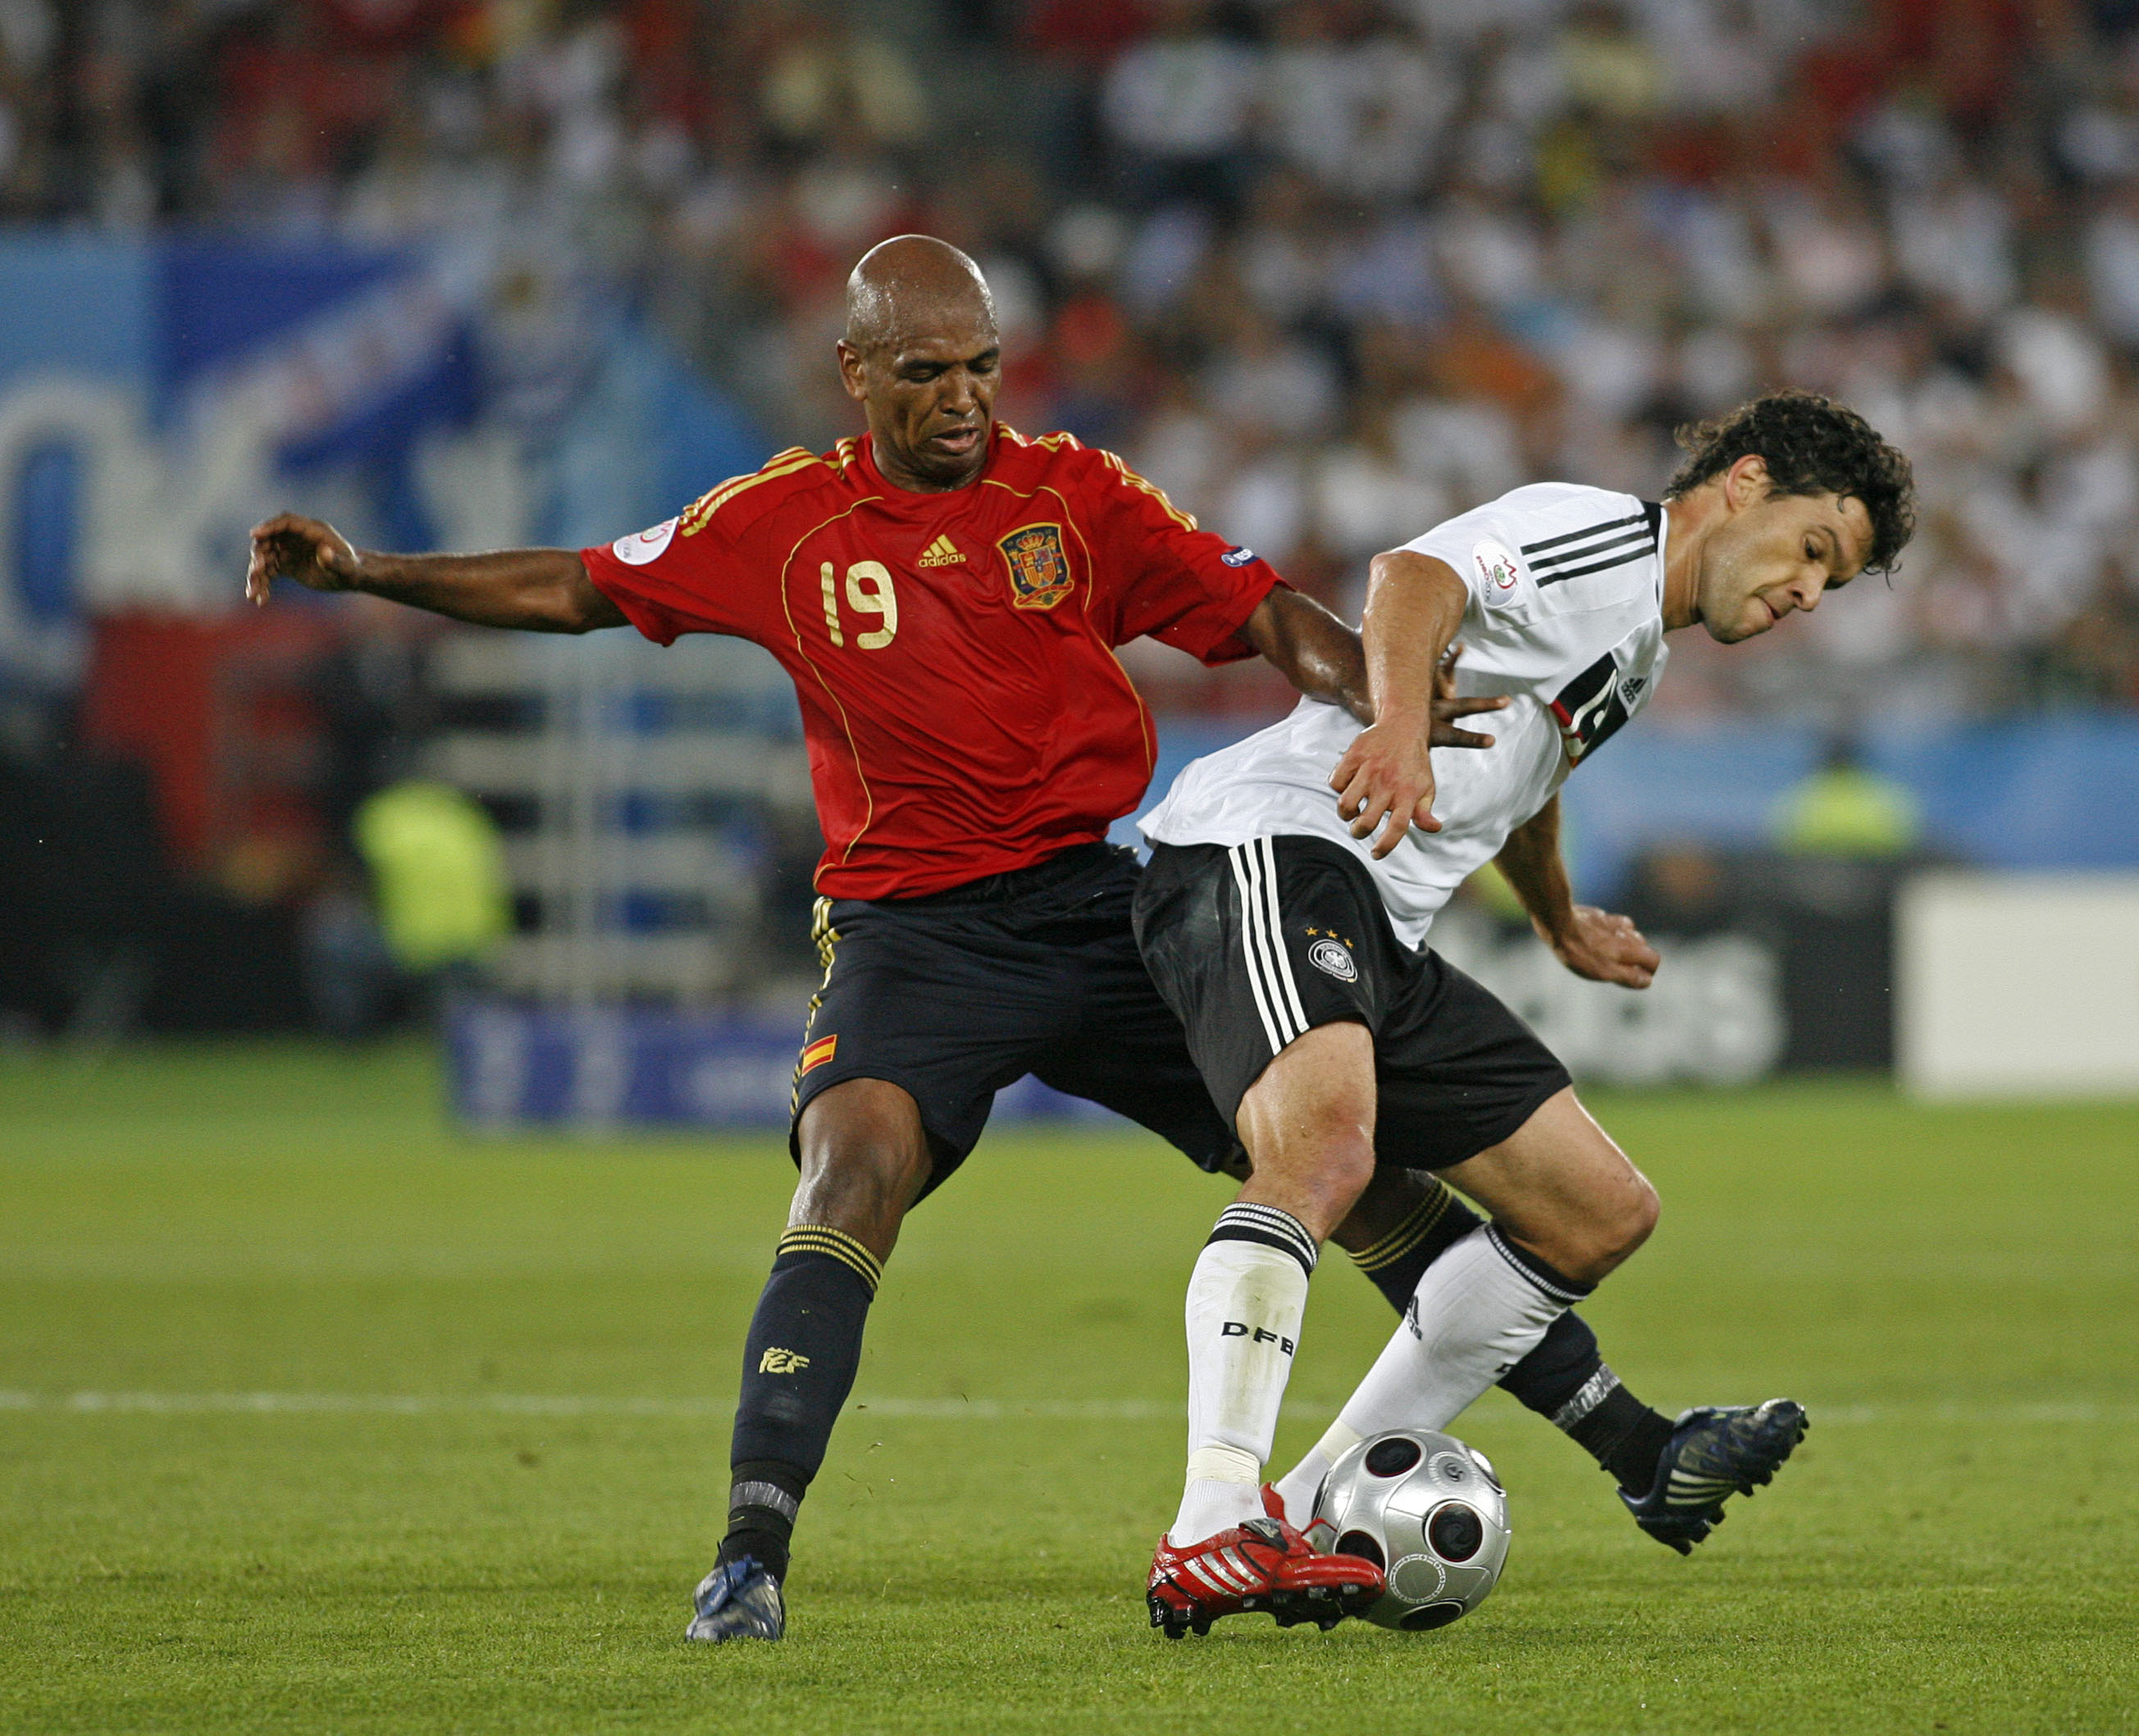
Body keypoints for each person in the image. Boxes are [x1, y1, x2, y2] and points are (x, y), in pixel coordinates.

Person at [246, 235, 1519, 1643]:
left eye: (982, 365)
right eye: (925, 372)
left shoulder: (1075, 493)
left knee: (1346, 1159)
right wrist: (364, 571)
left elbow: (1267, 611)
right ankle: (749, 1554)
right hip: (913, 931)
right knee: (847, 1174)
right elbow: (577, 589)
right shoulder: (778, 525)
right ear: (854, 373)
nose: (965, 397)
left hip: (1103, 904)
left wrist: (1383, 695)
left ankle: (1634, 1438)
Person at [1133, 391, 1916, 1634]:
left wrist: (1554, 915)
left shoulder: (1641, 646)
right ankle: (1213, 1517)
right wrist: (1393, 724)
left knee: (1598, 1211)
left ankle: (1298, 1503)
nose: (1807, 595)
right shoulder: (1599, 534)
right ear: (1745, 483)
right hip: (1275, 848)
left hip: (1383, 915)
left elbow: (1526, 774)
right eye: (1813, 549)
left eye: (1833, 582)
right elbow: (1411, 579)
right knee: (1325, 1155)